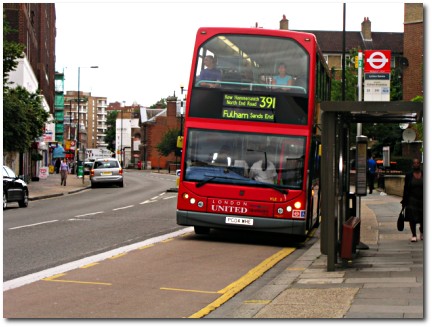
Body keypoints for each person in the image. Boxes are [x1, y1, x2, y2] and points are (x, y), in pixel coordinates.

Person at [401, 158, 423, 242]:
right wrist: (404, 200)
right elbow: (406, 188)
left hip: (422, 199)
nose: (416, 164)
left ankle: (422, 232)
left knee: (423, 217)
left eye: (418, 163)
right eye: (415, 163)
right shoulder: (409, 175)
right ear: (412, 165)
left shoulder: (424, 174)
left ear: (420, 165)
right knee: (412, 218)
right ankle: (414, 234)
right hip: (411, 199)